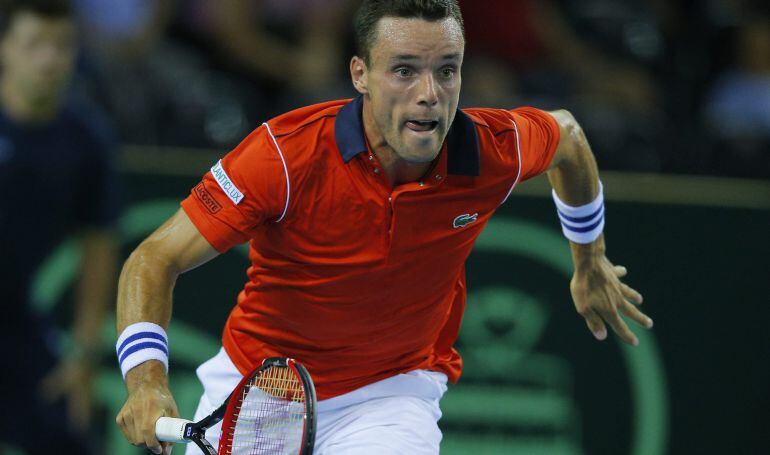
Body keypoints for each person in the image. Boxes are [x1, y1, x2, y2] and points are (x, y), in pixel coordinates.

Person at [115, 1, 653, 453]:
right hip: (258, 386)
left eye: (447, 70)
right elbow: (154, 259)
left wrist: (589, 257)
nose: (429, 94)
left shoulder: (491, 150)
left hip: (389, 395)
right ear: (359, 75)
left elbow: (567, 138)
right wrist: (146, 382)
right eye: (403, 70)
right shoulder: (282, 156)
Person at [0, 0, 121, 453]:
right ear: (4, 50)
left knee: (67, 436)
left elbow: (99, 242)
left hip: (16, 322)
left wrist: (84, 354)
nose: (49, 58)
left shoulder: (86, 139)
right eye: (34, 44)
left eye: (62, 45)